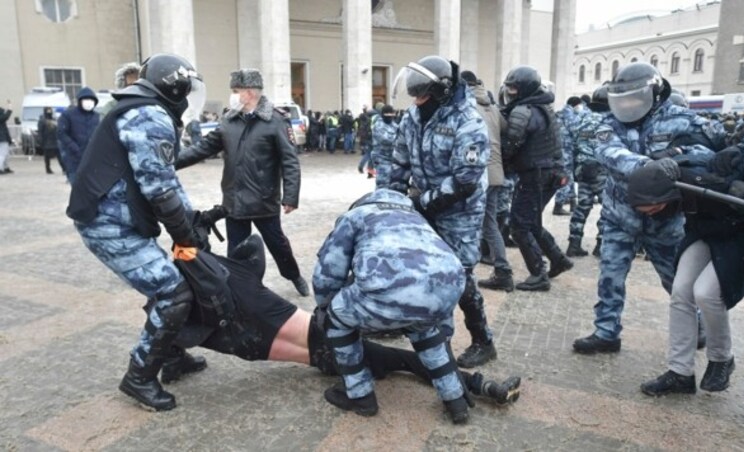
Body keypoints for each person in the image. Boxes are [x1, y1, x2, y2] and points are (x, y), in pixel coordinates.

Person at [169, 231, 522, 412]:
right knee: (409, 356)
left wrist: (173, 361)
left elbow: (171, 332)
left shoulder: (206, 322)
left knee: (399, 356)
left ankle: (476, 387)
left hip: (315, 356)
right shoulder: (238, 275)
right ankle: (482, 386)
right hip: (329, 339)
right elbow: (253, 244)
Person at [66, 53, 208, 411]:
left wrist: (192, 221)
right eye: (186, 91)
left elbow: (167, 179)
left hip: (116, 218)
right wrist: (185, 237)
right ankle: (139, 376)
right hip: (108, 225)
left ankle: (173, 357)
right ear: (173, 87)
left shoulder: (140, 107)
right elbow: (159, 189)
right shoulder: (150, 115)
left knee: (180, 282)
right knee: (173, 293)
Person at [572, 62, 723, 354]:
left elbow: (714, 148)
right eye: (622, 98)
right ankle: (606, 332)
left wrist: (679, 155)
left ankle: (699, 326)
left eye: (633, 98)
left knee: (676, 281)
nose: (627, 104)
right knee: (610, 277)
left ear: (653, 93)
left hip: (665, 220)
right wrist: (654, 167)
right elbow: (610, 154)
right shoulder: (609, 123)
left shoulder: (679, 118)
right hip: (619, 217)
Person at [312, 189, 476, 422]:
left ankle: (359, 395)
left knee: (337, 318)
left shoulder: (356, 216)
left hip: (391, 289)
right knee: (424, 328)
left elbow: (328, 273)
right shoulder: (416, 216)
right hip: (445, 290)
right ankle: (455, 400)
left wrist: (324, 308)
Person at [390, 55, 496, 368]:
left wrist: (420, 203)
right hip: (424, 204)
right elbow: (398, 160)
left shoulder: (468, 121)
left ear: (442, 92)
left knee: (459, 275)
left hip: (461, 210)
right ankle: (429, 334)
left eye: (422, 96)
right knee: (422, 268)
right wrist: (390, 197)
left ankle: (482, 340)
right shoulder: (413, 116)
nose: (416, 102)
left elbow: (464, 180)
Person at [628, 158, 744, 396]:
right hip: (704, 233)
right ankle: (680, 372)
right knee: (680, 291)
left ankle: (722, 359)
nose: (650, 214)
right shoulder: (672, 180)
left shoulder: (710, 187)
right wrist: (671, 154)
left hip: (740, 237)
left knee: (706, 294)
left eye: (653, 208)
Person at [175, 68, 309, 297]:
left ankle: (294, 275)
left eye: (236, 91)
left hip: (263, 200)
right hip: (234, 201)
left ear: (248, 93)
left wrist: (290, 196)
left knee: (278, 246)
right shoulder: (229, 120)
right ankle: (242, 290)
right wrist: (171, 162)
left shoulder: (276, 121)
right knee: (236, 251)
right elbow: (203, 148)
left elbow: (290, 162)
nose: (233, 96)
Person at [500, 65, 573, 292]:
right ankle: (558, 259)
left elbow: (510, 145)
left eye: (514, 89)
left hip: (535, 175)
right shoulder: (543, 106)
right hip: (551, 172)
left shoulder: (523, 111)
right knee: (532, 222)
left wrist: (499, 163)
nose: (510, 93)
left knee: (519, 226)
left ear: (523, 89)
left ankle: (538, 273)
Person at [459, 70, 512, 293]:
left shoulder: (466, 106)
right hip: (497, 172)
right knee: (490, 224)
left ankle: (491, 271)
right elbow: (506, 131)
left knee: (471, 223)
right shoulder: (492, 107)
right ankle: (501, 270)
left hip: (479, 172)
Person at [566, 85, 610, 258]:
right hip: (601, 169)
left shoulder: (581, 118)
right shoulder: (608, 121)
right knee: (608, 207)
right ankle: (600, 244)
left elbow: (574, 142)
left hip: (583, 168)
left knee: (583, 205)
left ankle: (574, 243)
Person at [57, 86, 100, 184]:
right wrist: (73, 147)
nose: (88, 102)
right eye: (85, 99)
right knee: (77, 188)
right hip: (74, 159)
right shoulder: (68, 115)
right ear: (80, 101)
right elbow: (61, 133)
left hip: (92, 160)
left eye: (91, 100)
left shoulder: (97, 117)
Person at [553, 96, 583, 216]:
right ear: (575, 105)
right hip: (565, 151)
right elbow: (576, 130)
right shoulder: (570, 115)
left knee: (568, 176)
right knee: (565, 177)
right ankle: (558, 205)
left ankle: (572, 203)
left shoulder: (560, 114)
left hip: (562, 151)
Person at [371, 104, 398, 189]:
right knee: (383, 184)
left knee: (393, 184)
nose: (390, 118)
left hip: (393, 159)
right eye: (387, 116)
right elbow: (386, 140)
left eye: (391, 116)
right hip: (381, 158)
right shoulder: (378, 125)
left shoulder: (394, 125)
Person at [37, 107, 64, 175]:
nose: (49, 112)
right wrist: (40, 141)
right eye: (48, 111)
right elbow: (40, 131)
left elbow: (58, 129)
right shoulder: (42, 121)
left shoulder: (54, 120)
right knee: (47, 157)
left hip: (55, 140)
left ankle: (64, 169)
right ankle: (48, 168)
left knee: (59, 156)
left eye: (50, 111)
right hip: (47, 140)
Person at [0, 100, 13, 175]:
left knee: (6, 154)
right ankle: (1, 168)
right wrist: (9, 109)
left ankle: (5, 167)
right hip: (2, 138)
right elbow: (5, 117)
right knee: (2, 154)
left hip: (4, 137)